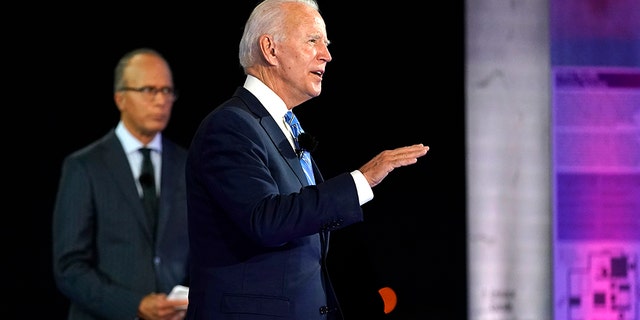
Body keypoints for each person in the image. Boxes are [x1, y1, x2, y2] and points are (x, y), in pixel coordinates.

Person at [184, 0, 430, 319]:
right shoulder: (230, 127)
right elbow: (266, 220)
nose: (326, 55)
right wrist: (361, 179)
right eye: (313, 40)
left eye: (326, 44)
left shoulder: (281, 125)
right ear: (270, 49)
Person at [52, 48, 190, 320]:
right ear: (120, 98)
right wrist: (134, 305)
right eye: (149, 90)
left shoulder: (188, 164)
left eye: (167, 91)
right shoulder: (84, 167)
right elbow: (69, 266)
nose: (161, 100)